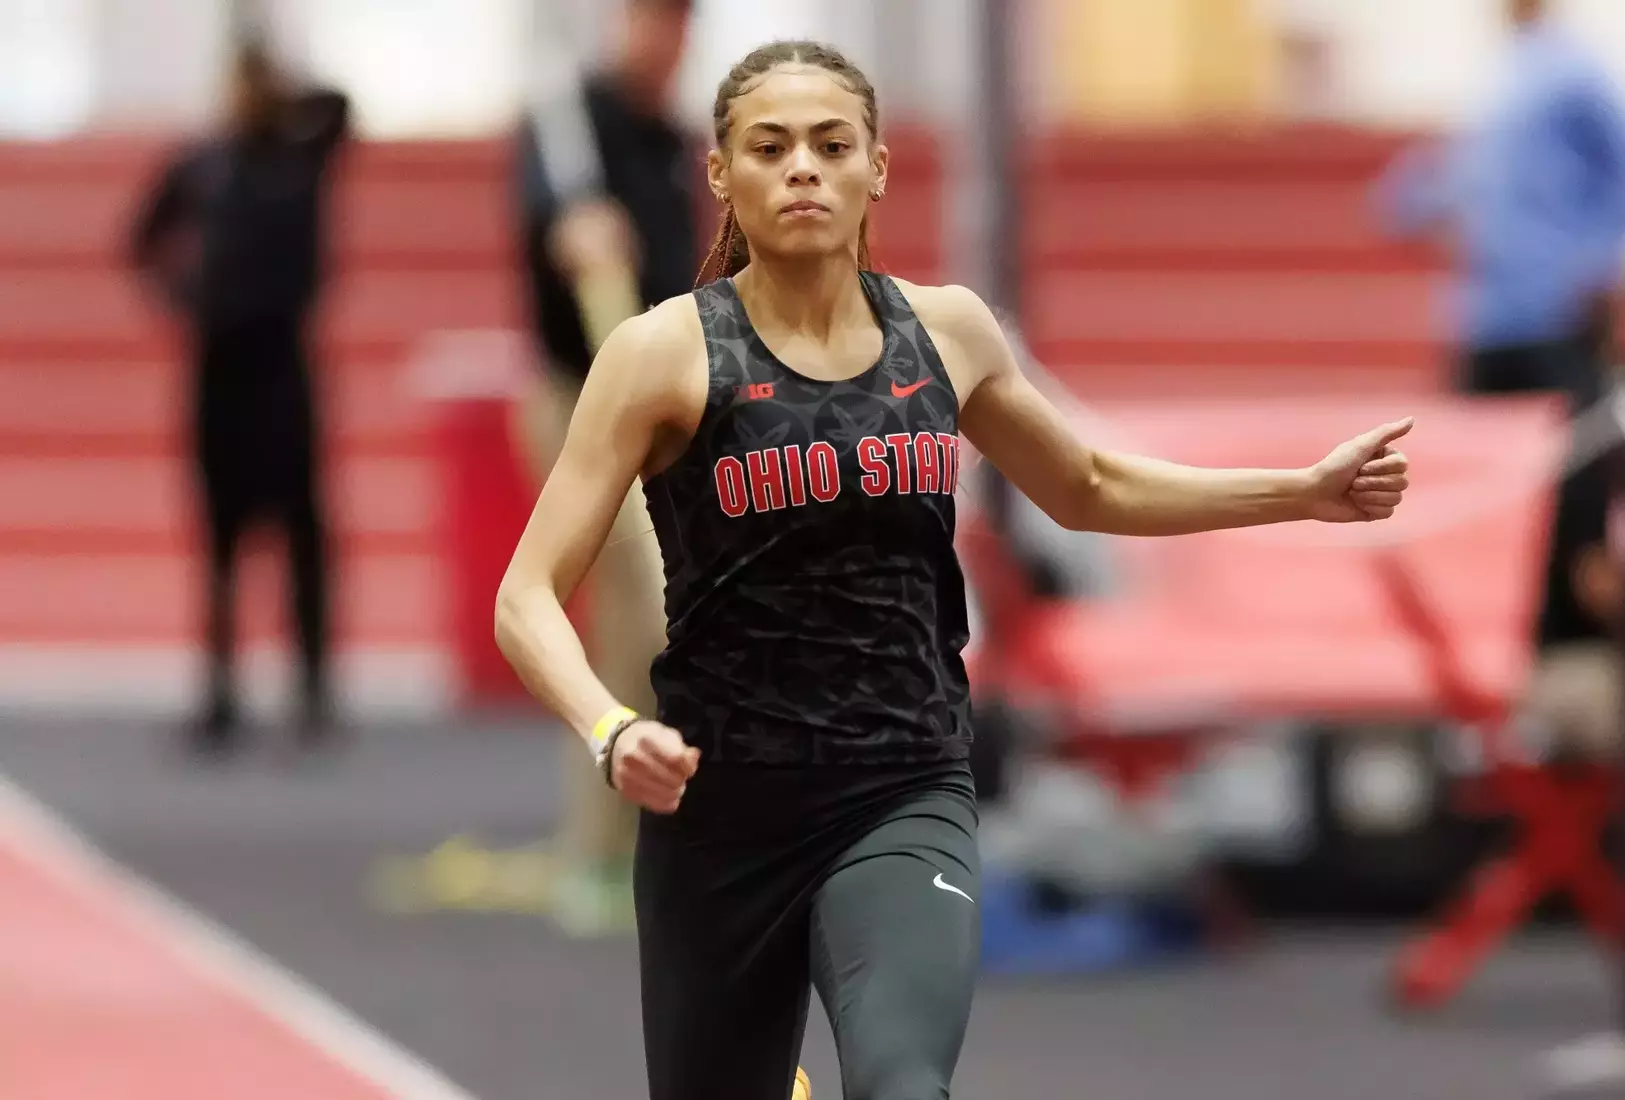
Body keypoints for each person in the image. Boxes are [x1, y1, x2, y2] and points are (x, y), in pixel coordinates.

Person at [495, 39, 1412, 1100]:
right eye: (771, 145)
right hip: (722, 806)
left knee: (903, 1083)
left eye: (832, 145)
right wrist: (611, 731)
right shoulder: (663, 356)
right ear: (721, 175)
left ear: (878, 165)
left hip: (901, 786)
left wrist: (1302, 489)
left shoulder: (947, 331)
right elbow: (526, 595)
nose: (803, 168)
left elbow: (1092, 486)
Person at [1376, 0, 1625, 672]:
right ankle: (1491, 640)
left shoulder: (1577, 71)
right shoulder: (1497, 79)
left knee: (1571, 485)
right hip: (1486, 317)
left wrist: (1595, 263)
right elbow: (1454, 186)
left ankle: (1565, 636)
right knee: (1486, 491)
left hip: (1551, 314)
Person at [511, 0, 698, 934]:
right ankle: (599, 850)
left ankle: (645, 841)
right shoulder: (565, 125)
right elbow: (554, 222)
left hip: (666, 409)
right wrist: (575, 234)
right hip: (579, 404)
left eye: (679, 23)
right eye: (650, 19)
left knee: (671, 613)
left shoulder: (675, 140)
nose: (664, 40)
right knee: (639, 607)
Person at [129, 42, 349, 757]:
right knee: (221, 536)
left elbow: (342, 106)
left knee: (303, 532)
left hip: (284, 364)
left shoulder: (300, 153)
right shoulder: (205, 163)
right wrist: (186, 296)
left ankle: (312, 689)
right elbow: (142, 238)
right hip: (222, 365)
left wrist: (281, 86)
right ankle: (221, 691)